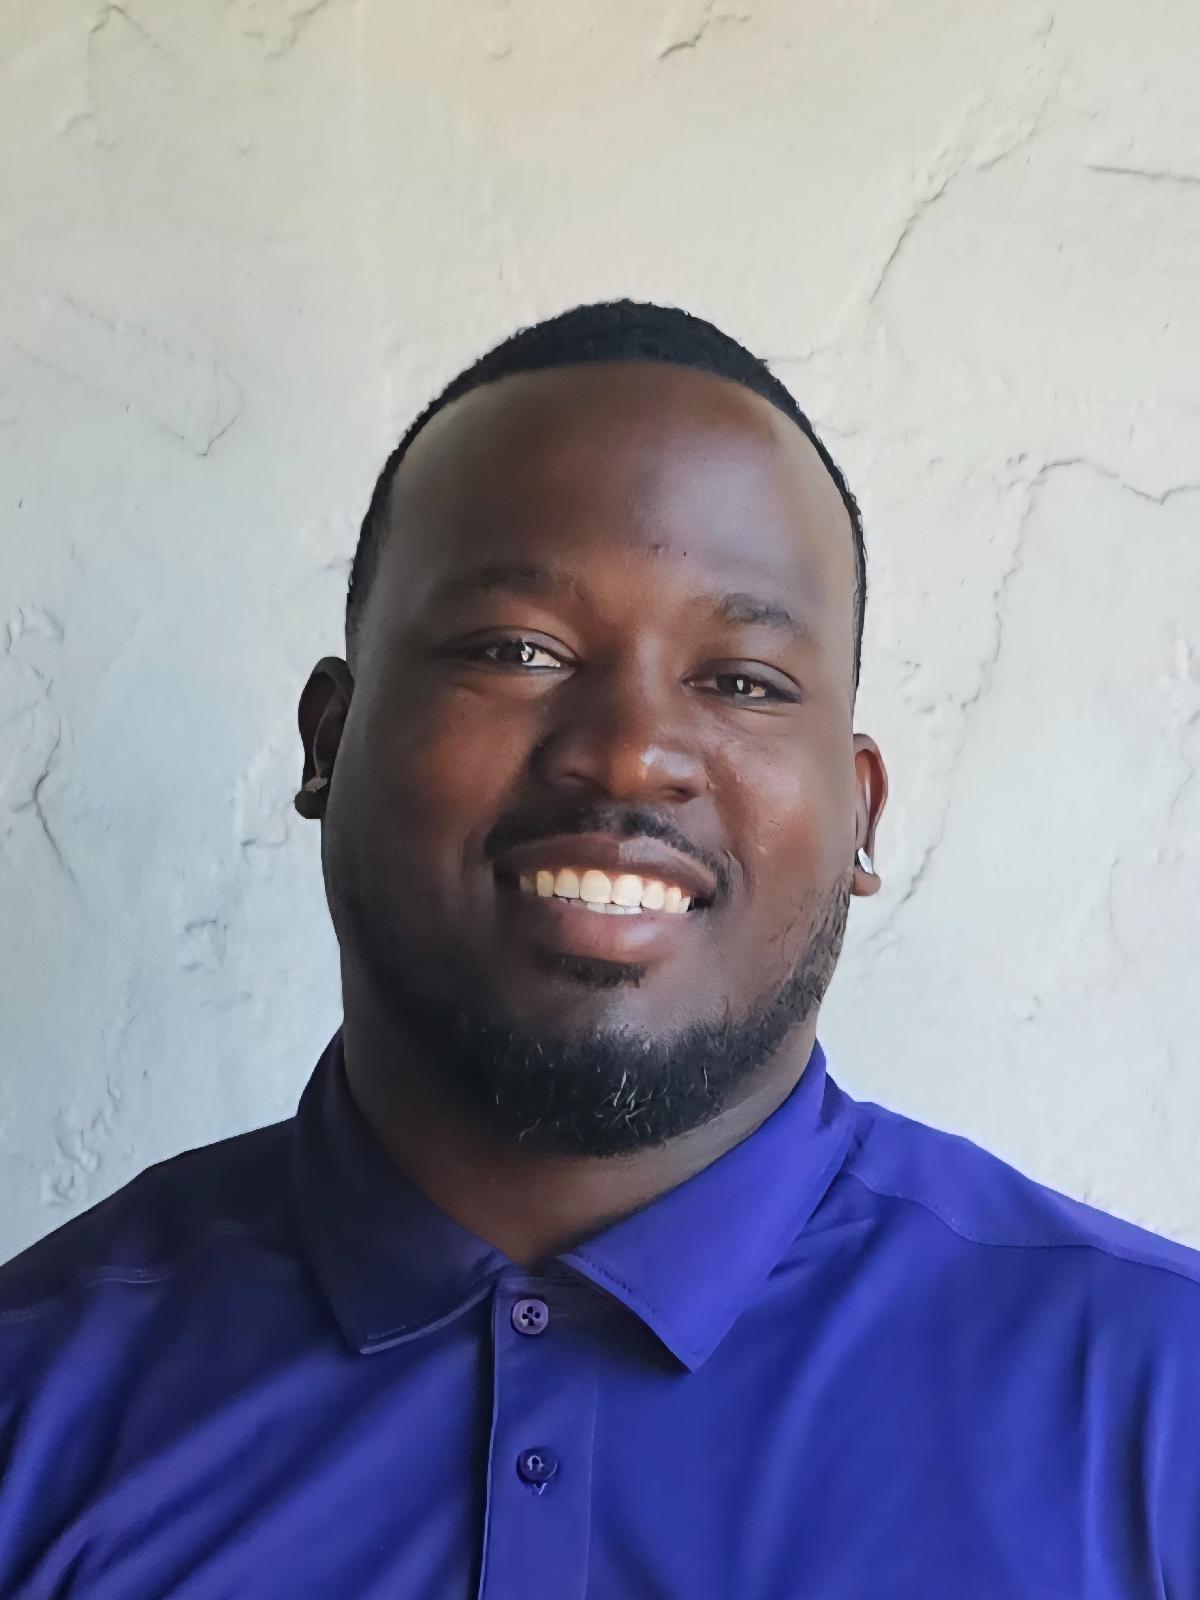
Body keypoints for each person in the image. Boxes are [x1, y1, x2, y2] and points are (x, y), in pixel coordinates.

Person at [1, 300, 1197, 1599]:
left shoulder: (1161, 1410)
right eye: (518, 650)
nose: (629, 753)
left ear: (861, 813)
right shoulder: (36, 1402)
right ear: (329, 743)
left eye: (742, 680)